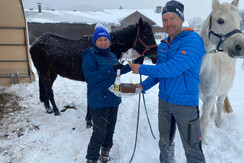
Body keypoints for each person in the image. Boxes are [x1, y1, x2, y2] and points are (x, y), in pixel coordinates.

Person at [130, 0, 206, 163]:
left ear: (181, 19)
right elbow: (160, 74)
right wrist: (142, 85)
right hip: (164, 102)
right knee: (165, 143)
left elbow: (172, 69)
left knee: (192, 149)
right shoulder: (163, 45)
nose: (169, 23)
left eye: (173, 18)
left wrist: (141, 69)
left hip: (185, 104)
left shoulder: (193, 40)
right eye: (165, 19)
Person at [82, 23, 142, 163]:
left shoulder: (113, 56)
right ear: (95, 42)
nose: (103, 42)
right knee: (99, 134)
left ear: (109, 41)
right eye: (100, 40)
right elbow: (90, 78)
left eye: (105, 39)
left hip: (114, 99)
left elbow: (118, 70)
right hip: (98, 101)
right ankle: (91, 158)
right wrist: (110, 69)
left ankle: (105, 153)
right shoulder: (90, 57)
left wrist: (134, 64)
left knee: (110, 131)